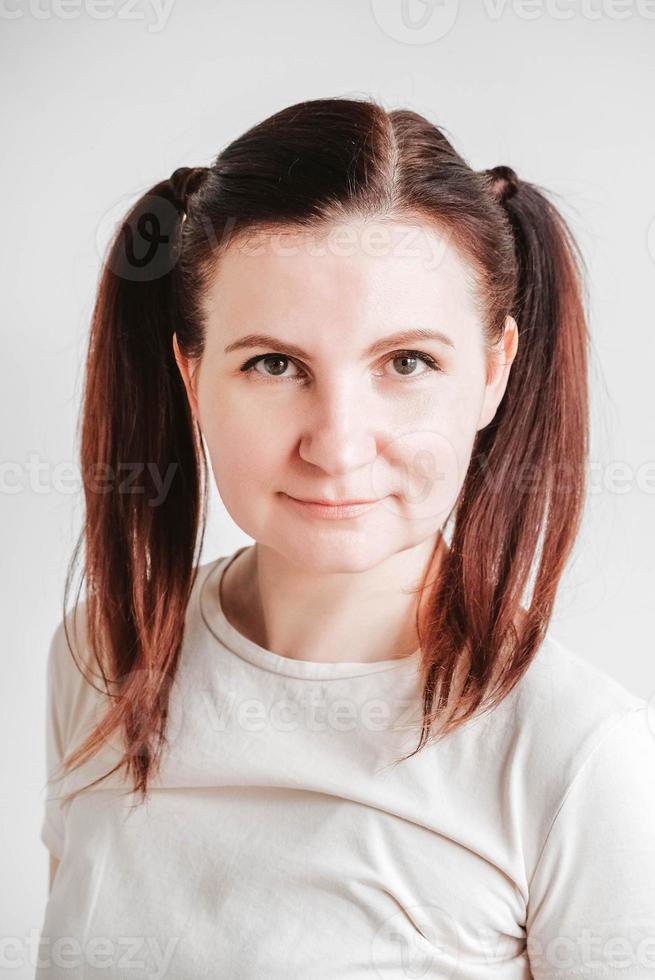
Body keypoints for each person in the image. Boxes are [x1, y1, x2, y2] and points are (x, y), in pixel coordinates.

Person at [37, 97, 655, 978]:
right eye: (273, 364)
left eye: (406, 363)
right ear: (192, 374)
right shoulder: (104, 651)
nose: (336, 444)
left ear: (491, 373)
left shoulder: (579, 760)